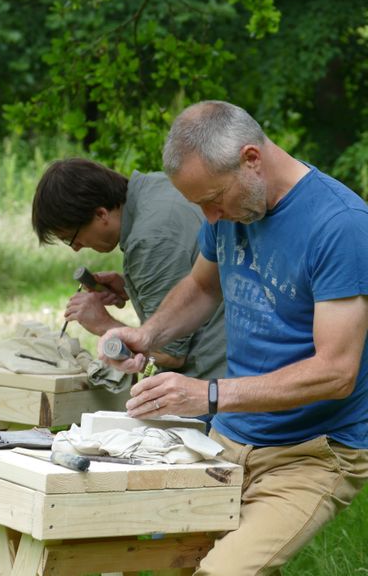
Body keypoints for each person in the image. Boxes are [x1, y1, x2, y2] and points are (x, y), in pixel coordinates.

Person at [98, 101, 368, 576]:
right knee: (150, 554)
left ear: (251, 159)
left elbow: (336, 372)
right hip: (229, 439)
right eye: (200, 205)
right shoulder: (228, 212)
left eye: (214, 199)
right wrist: (146, 334)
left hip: (312, 452)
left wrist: (208, 394)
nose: (210, 216)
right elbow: (204, 286)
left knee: (220, 573)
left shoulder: (341, 225)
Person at [31, 158, 226, 390]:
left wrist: (104, 325)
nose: (76, 248)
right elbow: (192, 273)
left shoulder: (150, 239)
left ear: (101, 214)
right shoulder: (156, 187)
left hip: (215, 385)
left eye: (72, 238)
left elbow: (170, 354)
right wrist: (130, 286)